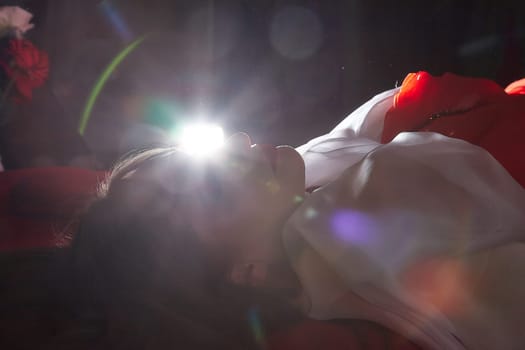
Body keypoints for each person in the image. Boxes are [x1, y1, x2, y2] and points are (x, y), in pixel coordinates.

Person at [69, 73, 525, 350]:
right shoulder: (374, 237)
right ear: (248, 270)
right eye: (213, 188)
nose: (234, 145)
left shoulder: (317, 166)